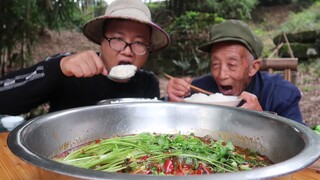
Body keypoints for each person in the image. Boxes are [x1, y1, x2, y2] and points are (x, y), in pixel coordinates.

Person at [0, 0, 170, 115]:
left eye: (139, 43)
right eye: (118, 39)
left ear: (148, 50)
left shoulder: (148, 83)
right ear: (102, 41)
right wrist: (57, 68)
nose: (127, 51)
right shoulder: (69, 69)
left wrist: (171, 100)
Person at [167, 19, 303, 123]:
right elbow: (173, 124)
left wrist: (263, 121)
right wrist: (174, 101)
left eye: (231, 64)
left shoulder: (281, 94)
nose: (221, 75)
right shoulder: (198, 89)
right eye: (215, 64)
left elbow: (300, 145)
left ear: (253, 67)